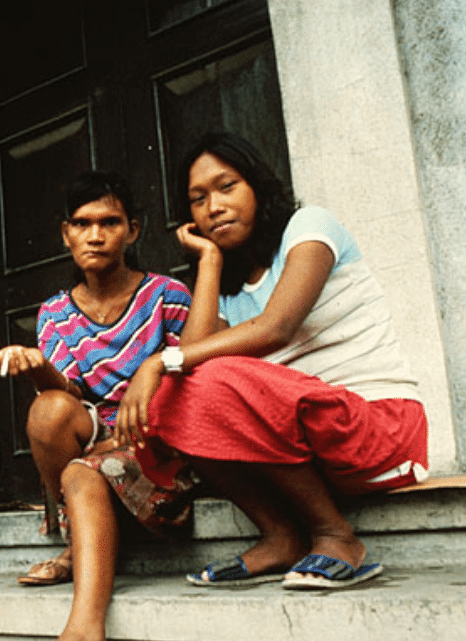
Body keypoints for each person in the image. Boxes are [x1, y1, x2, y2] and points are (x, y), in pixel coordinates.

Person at [115, 132, 429, 591]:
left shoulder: (309, 229)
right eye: (197, 200)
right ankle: (281, 535)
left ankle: (336, 537)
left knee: (197, 373)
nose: (213, 207)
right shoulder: (227, 281)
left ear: (258, 187)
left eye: (227, 187)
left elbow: (276, 327)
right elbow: (192, 365)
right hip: (309, 448)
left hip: (380, 430)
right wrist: (208, 262)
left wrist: (159, 361)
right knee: (179, 392)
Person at [0, 172, 192, 641]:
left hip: (160, 434)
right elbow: (68, 398)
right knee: (48, 410)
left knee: (85, 467)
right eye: (83, 224)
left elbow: (195, 370)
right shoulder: (55, 311)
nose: (95, 234)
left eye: (109, 223)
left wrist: (129, 430)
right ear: (65, 234)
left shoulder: (167, 295)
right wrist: (36, 368)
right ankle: (80, 549)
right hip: (96, 439)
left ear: (132, 230)